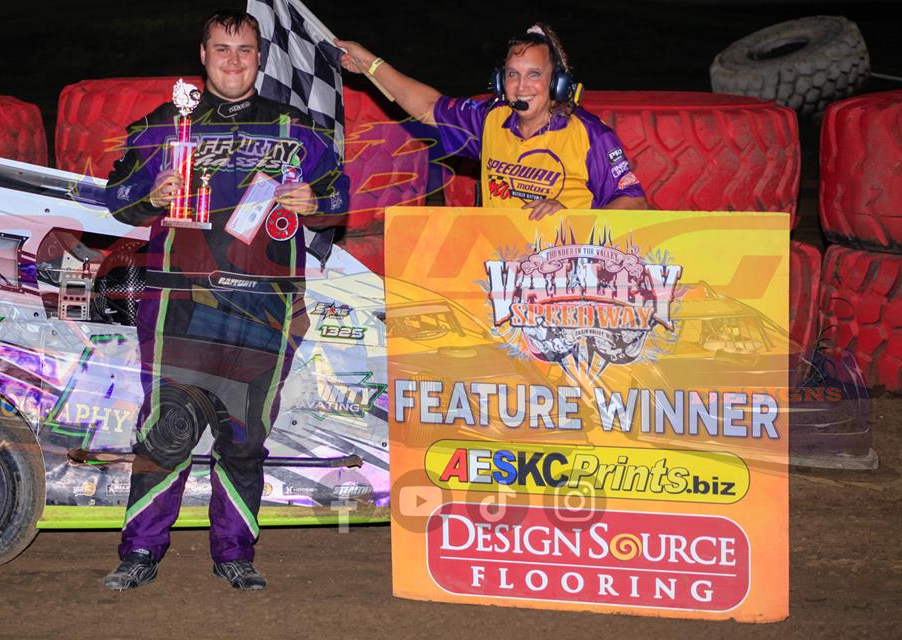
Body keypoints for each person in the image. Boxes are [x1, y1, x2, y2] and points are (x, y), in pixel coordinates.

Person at [101, 10, 347, 592]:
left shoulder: (297, 128)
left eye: (244, 51)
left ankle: (235, 552)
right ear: (203, 55)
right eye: (221, 50)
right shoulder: (165, 124)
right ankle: (139, 552)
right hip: (178, 305)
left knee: (244, 435)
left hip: (265, 305)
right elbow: (115, 197)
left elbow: (339, 196)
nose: (233, 61)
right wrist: (148, 193)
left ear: (259, 57)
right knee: (166, 430)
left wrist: (316, 202)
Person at [336, 23, 647, 218]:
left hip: (566, 265)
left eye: (534, 75)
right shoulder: (490, 120)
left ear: (557, 85)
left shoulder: (590, 135)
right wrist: (369, 64)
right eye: (513, 74)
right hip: (499, 264)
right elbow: (429, 107)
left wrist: (573, 220)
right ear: (501, 82)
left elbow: (635, 205)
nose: (521, 86)